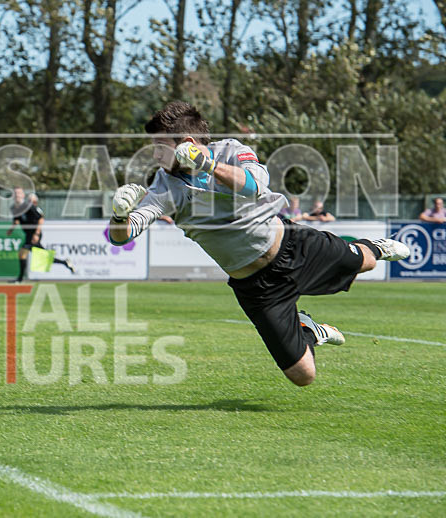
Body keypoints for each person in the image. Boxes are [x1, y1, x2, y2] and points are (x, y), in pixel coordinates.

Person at [109, 101, 409, 387]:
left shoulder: (231, 150)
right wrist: (119, 215)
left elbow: (255, 186)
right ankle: (307, 328)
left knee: (365, 262)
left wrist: (208, 165)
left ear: (187, 142)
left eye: (160, 147)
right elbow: (122, 235)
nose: (155, 156)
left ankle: (376, 246)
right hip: (255, 287)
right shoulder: (165, 184)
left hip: (293, 246)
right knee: (303, 376)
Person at [6, 187, 75, 282]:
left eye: (19, 193)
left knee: (22, 254)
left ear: (23, 195)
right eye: (15, 193)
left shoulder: (29, 206)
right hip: (28, 234)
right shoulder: (14, 208)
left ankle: (19, 280)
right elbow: (17, 220)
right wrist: (11, 229)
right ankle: (65, 262)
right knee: (44, 257)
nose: (17, 195)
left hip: (34, 234)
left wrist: (37, 234)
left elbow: (40, 218)